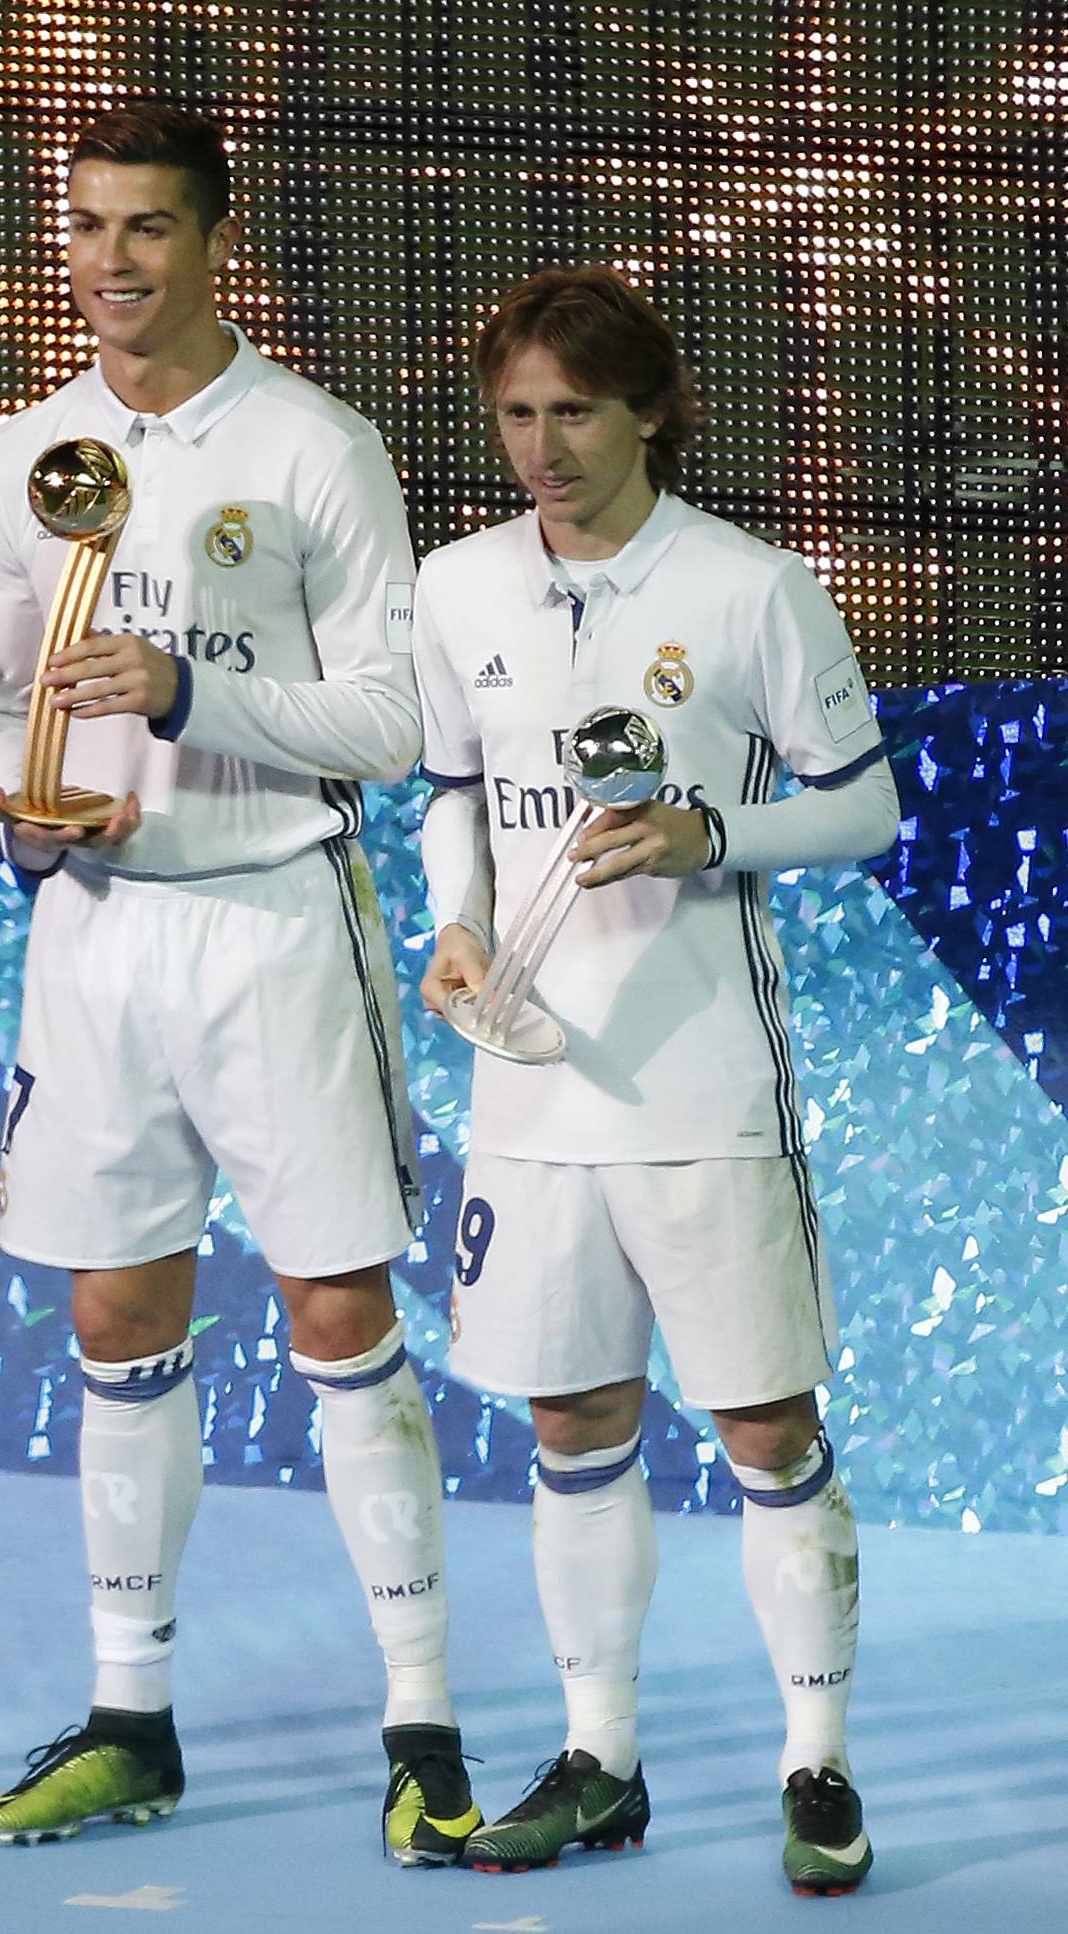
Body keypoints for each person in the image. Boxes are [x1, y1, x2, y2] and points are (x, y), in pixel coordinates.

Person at [0, 101, 478, 1866]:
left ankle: (422, 1722)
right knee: (114, 1319)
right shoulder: (22, 450)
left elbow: (396, 725)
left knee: (337, 1317)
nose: (112, 262)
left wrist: (190, 695)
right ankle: (130, 1718)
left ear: (214, 239)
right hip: (96, 923)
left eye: (150, 229)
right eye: (90, 225)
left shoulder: (318, 446)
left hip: (273, 915)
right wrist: (15, 816)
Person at [412, 265, 898, 1895]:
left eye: (575, 412)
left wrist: (713, 833)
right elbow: (450, 792)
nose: (543, 447)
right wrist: (455, 928)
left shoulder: (755, 587)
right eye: (518, 415)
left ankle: (816, 1765)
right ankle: (598, 1760)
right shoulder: (461, 584)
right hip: (529, 1087)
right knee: (574, 1417)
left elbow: (862, 807)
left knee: (764, 1423)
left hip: (703, 1086)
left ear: (651, 414)